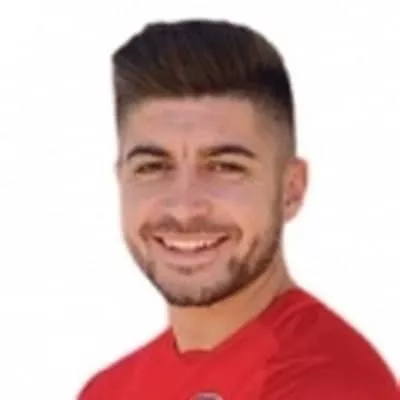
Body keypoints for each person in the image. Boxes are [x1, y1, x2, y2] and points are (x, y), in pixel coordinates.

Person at [78, 19, 398, 399]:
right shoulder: (108, 389)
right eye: (152, 167)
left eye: (225, 167)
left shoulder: (331, 384)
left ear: (291, 190)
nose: (184, 209)